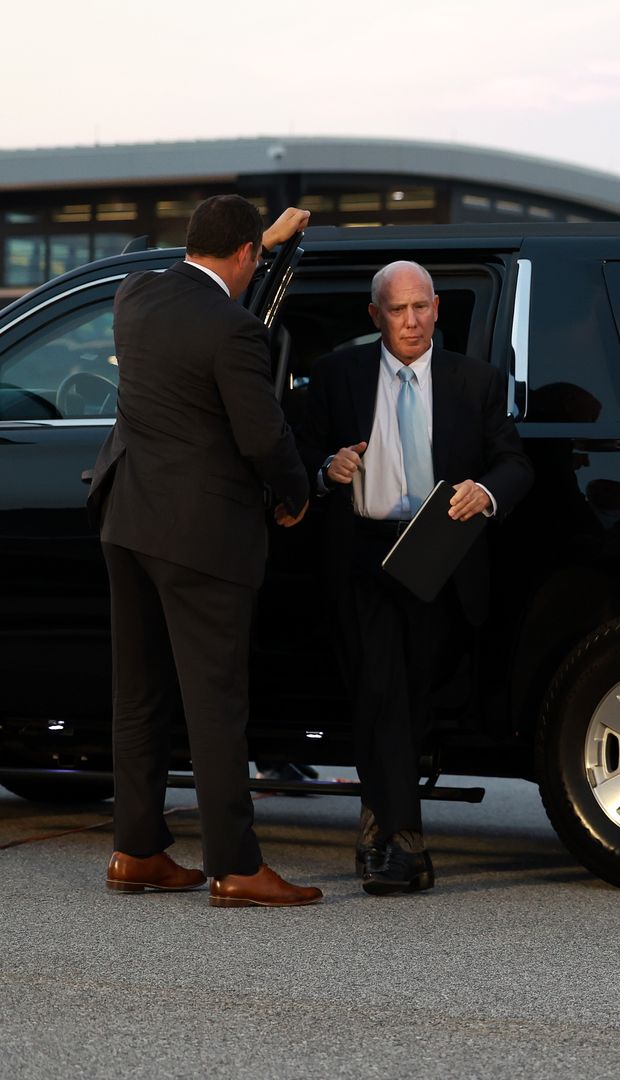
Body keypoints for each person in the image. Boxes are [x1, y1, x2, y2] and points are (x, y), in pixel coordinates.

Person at [89, 195, 323, 908]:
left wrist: (265, 235)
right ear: (247, 255)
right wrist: (297, 491)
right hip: (201, 537)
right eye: (254, 254)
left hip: (127, 521)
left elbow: (185, 276)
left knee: (138, 695)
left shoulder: (137, 295)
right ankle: (235, 866)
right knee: (216, 705)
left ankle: (137, 851)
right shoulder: (234, 330)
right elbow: (261, 437)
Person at [301, 260, 531, 895]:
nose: (412, 321)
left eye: (422, 308)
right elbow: (298, 452)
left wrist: (483, 492)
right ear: (376, 316)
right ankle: (404, 846)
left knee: (414, 700)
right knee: (381, 692)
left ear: (437, 309)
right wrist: (327, 468)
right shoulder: (336, 374)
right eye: (398, 310)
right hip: (364, 556)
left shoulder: (474, 381)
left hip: (438, 555)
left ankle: (380, 824)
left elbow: (515, 462)